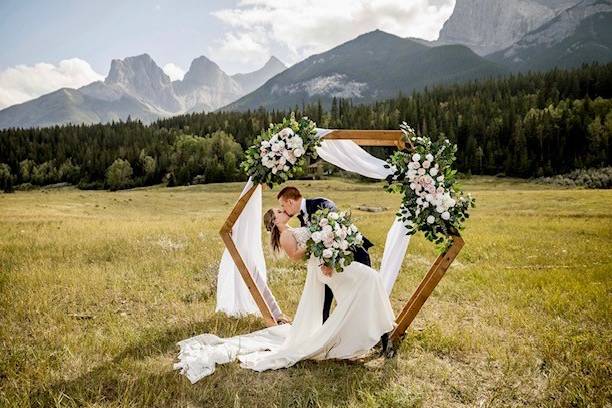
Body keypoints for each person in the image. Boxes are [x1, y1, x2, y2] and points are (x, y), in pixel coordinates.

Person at [174, 207, 395, 383]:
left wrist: (327, 237)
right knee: (369, 279)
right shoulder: (285, 235)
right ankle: (370, 332)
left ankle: (375, 329)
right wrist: (319, 241)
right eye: (278, 212)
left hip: (329, 264)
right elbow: (296, 256)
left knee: (369, 281)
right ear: (275, 222)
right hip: (323, 269)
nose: (281, 211)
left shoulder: (292, 228)